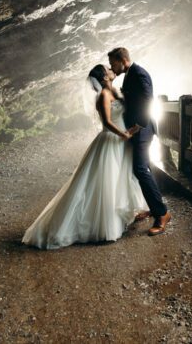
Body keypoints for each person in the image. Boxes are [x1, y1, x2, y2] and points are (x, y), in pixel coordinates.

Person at [21, 65, 148, 249]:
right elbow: (107, 122)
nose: (112, 69)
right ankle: (103, 225)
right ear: (104, 76)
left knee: (121, 177)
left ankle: (125, 214)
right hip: (111, 140)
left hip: (121, 141)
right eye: (108, 69)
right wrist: (124, 134)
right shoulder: (104, 95)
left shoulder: (114, 90)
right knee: (105, 182)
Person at [108, 47, 171, 235]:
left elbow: (147, 102)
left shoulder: (139, 73)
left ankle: (162, 214)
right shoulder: (129, 74)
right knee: (144, 168)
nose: (112, 67)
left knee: (140, 169)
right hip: (136, 131)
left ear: (122, 60)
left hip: (142, 131)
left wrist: (138, 126)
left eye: (113, 63)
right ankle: (155, 206)